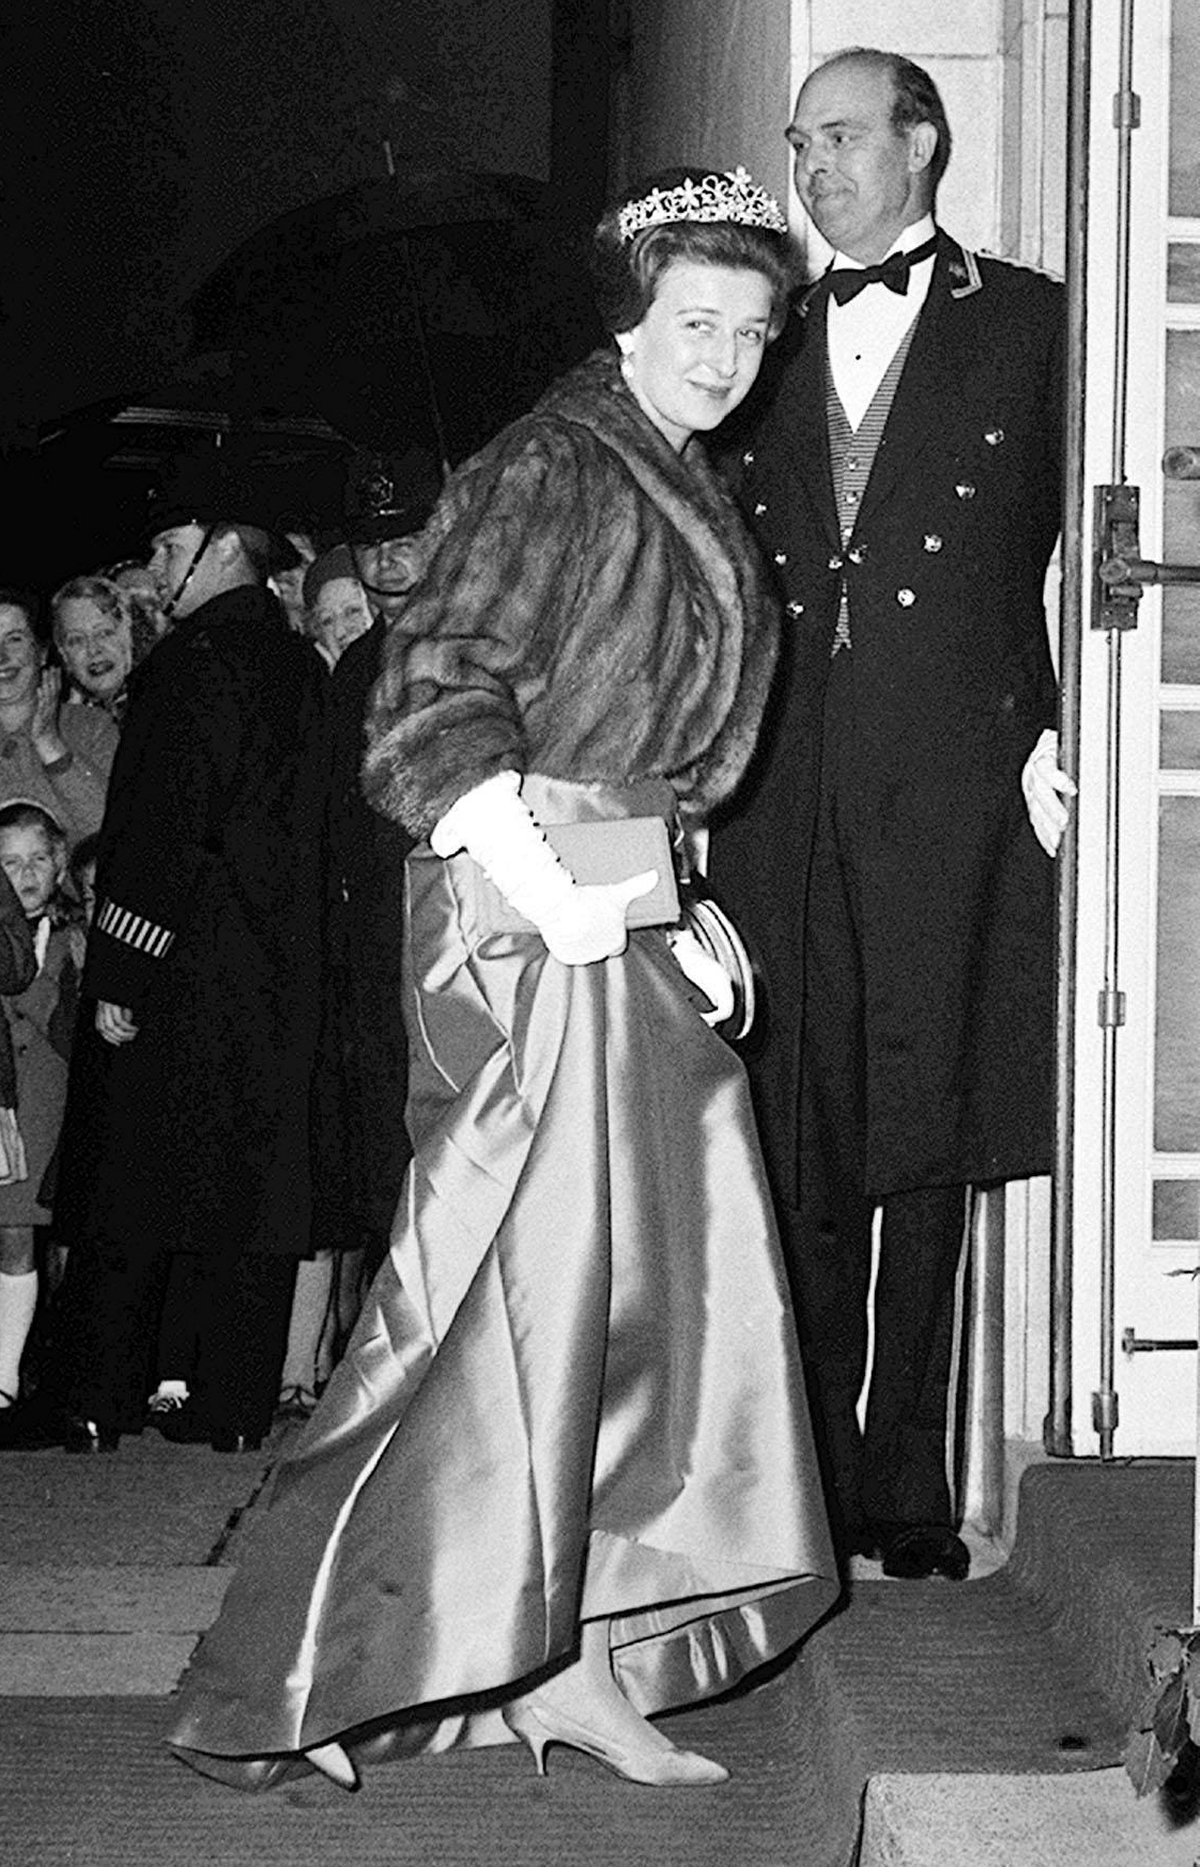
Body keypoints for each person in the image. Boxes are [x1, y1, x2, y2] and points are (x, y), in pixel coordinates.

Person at [166, 166, 837, 1796]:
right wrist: (558, 889)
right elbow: (433, 712)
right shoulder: (558, 465)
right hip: (514, 920)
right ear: (629, 318)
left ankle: (576, 1663)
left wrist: (676, 904)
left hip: (612, 910)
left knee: (644, 1305)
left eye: (752, 328)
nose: (727, 352)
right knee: (484, 1300)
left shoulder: (662, 466)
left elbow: (639, 750)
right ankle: (302, 1665)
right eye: (698, 321)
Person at [708, 49, 1071, 1583]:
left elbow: (1121, 530)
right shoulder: (755, 334)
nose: (815, 168)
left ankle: (903, 1480)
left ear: (924, 141)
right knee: (799, 1123)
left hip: (954, 776)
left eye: (844, 137)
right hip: (783, 782)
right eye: (800, 143)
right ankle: (797, 1473)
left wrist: (1071, 735)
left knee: (923, 1132)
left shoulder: (1044, 321)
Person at [48, 453, 329, 1454]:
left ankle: (93, 1397)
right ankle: (231, 1403)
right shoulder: (296, 661)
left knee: (129, 1183)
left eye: (172, 546)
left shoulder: (194, 664)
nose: (158, 566)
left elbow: (164, 831)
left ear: (222, 550)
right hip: (274, 968)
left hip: (186, 965)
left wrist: (123, 967)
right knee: (245, 1189)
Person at [0, 803, 81, 1448]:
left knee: (21, 1234)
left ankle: (9, 1380)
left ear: (59, 863)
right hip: (5, 1096)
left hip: (44, 1103)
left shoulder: (75, 936)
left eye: (36, 859)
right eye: (9, 862)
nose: (24, 875)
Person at [0, 589, 118, 848]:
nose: (2, 657)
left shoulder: (92, 727)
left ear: (41, 652)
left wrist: (51, 747)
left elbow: (116, 831)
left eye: (14, 639)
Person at [49, 575, 137, 725]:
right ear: (64, 655)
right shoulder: (64, 725)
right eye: (76, 640)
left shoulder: (166, 693)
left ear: (127, 632)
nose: (93, 649)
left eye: (103, 633)